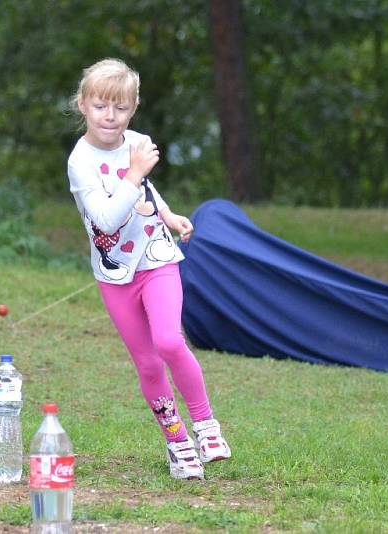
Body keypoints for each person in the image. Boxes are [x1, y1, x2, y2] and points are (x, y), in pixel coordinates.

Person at [66, 58, 231, 480]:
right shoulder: (80, 162)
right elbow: (105, 218)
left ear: (133, 108)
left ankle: (206, 425)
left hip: (157, 258)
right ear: (83, 104)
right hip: (116, 275)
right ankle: (177, 443)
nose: (110, 116)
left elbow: (149, 192)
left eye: (120, 108)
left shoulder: (137, 142)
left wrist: (170, 216)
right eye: (101, 105)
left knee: (169, 342)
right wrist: (135, 174)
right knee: (148, 364)